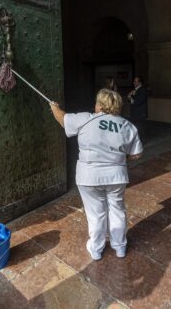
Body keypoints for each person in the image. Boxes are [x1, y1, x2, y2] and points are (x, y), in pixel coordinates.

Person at [49, 89, 143, 260]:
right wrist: (121, 158)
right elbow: (137, 154)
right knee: (117, 210)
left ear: (100, 105)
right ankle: (120, 247)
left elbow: (63, 119)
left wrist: (54, 107)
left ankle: (96, 249)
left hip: (89, 177)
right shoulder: (127, 126)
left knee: (96, 214)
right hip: (117, 176)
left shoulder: (86, 119)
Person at [127, 76, 149, 142]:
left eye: (135, 81)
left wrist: (130, 97)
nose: (133, 82)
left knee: (140, 128)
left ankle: (142, 141)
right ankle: (137, 141)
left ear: (140, 83)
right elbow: (130, 100)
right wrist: (129, 96)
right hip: (135, 112)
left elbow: (138, 101)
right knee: (136, 127)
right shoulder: (135, 90)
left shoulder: (143, 90)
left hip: (140, 113)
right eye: (134, 81)